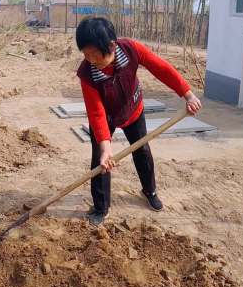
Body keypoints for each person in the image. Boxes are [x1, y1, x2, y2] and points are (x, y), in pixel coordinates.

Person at [75, 17, 202, 225]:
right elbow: (96, 112)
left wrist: (187, 94)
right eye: (85, 54)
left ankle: (149, 191)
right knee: (100, 160)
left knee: (142, 151)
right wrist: (106, 148)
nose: (90, 60)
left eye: (94, 54)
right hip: (105, 116)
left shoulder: (131, 50)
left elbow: (161, 68)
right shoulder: (87, 74)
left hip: (133, 109)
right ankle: (101, 207)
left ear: (111, 46)